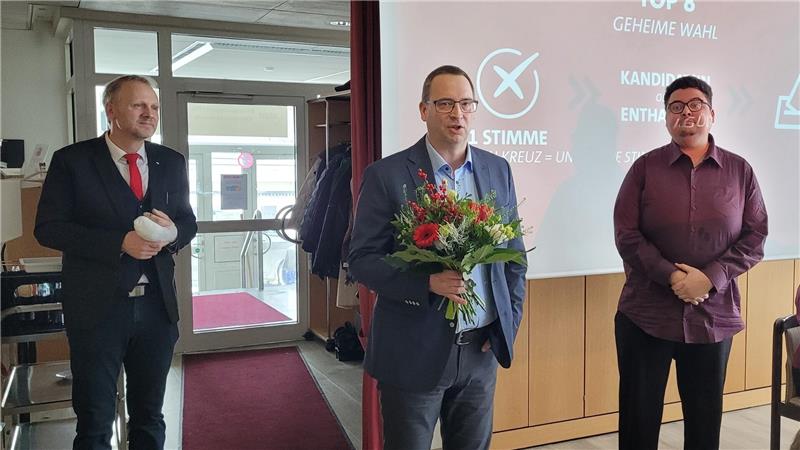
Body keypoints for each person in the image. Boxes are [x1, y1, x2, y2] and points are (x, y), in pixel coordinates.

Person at [348, 65, 527, 450]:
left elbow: (513, 260)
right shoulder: (387, 174)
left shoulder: (497, 169)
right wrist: (425, 283)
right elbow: (361, 258)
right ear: (423, 109)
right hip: (412, 351)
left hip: (480, 351)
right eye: (444, 103)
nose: (456, 113)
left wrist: (505, 325)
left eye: (465, 103)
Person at [35, 75, 197, 450]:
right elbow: (48, 228)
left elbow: (187, 221)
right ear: (111, 110)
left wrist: (173, 234)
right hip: (97, 309)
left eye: (154, 107)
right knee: (94, 421)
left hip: (157, 310)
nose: (149, 113)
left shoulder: (171, 161)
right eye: (138, 105)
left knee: (149, 417)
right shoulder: (72, 161)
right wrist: (118, 243)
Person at [613, 75, 768, 450]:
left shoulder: (740, 170)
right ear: (667, 118)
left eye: (695, 104)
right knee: (638, 422)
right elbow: (627, 234)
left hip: (712, 316)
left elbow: (755, 236)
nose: (687, 113)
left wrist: (711, 278)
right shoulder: (645, 168)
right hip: (645, 316)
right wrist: (672, 277)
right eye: (676, 107)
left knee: (704, 424)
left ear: (712, 114)